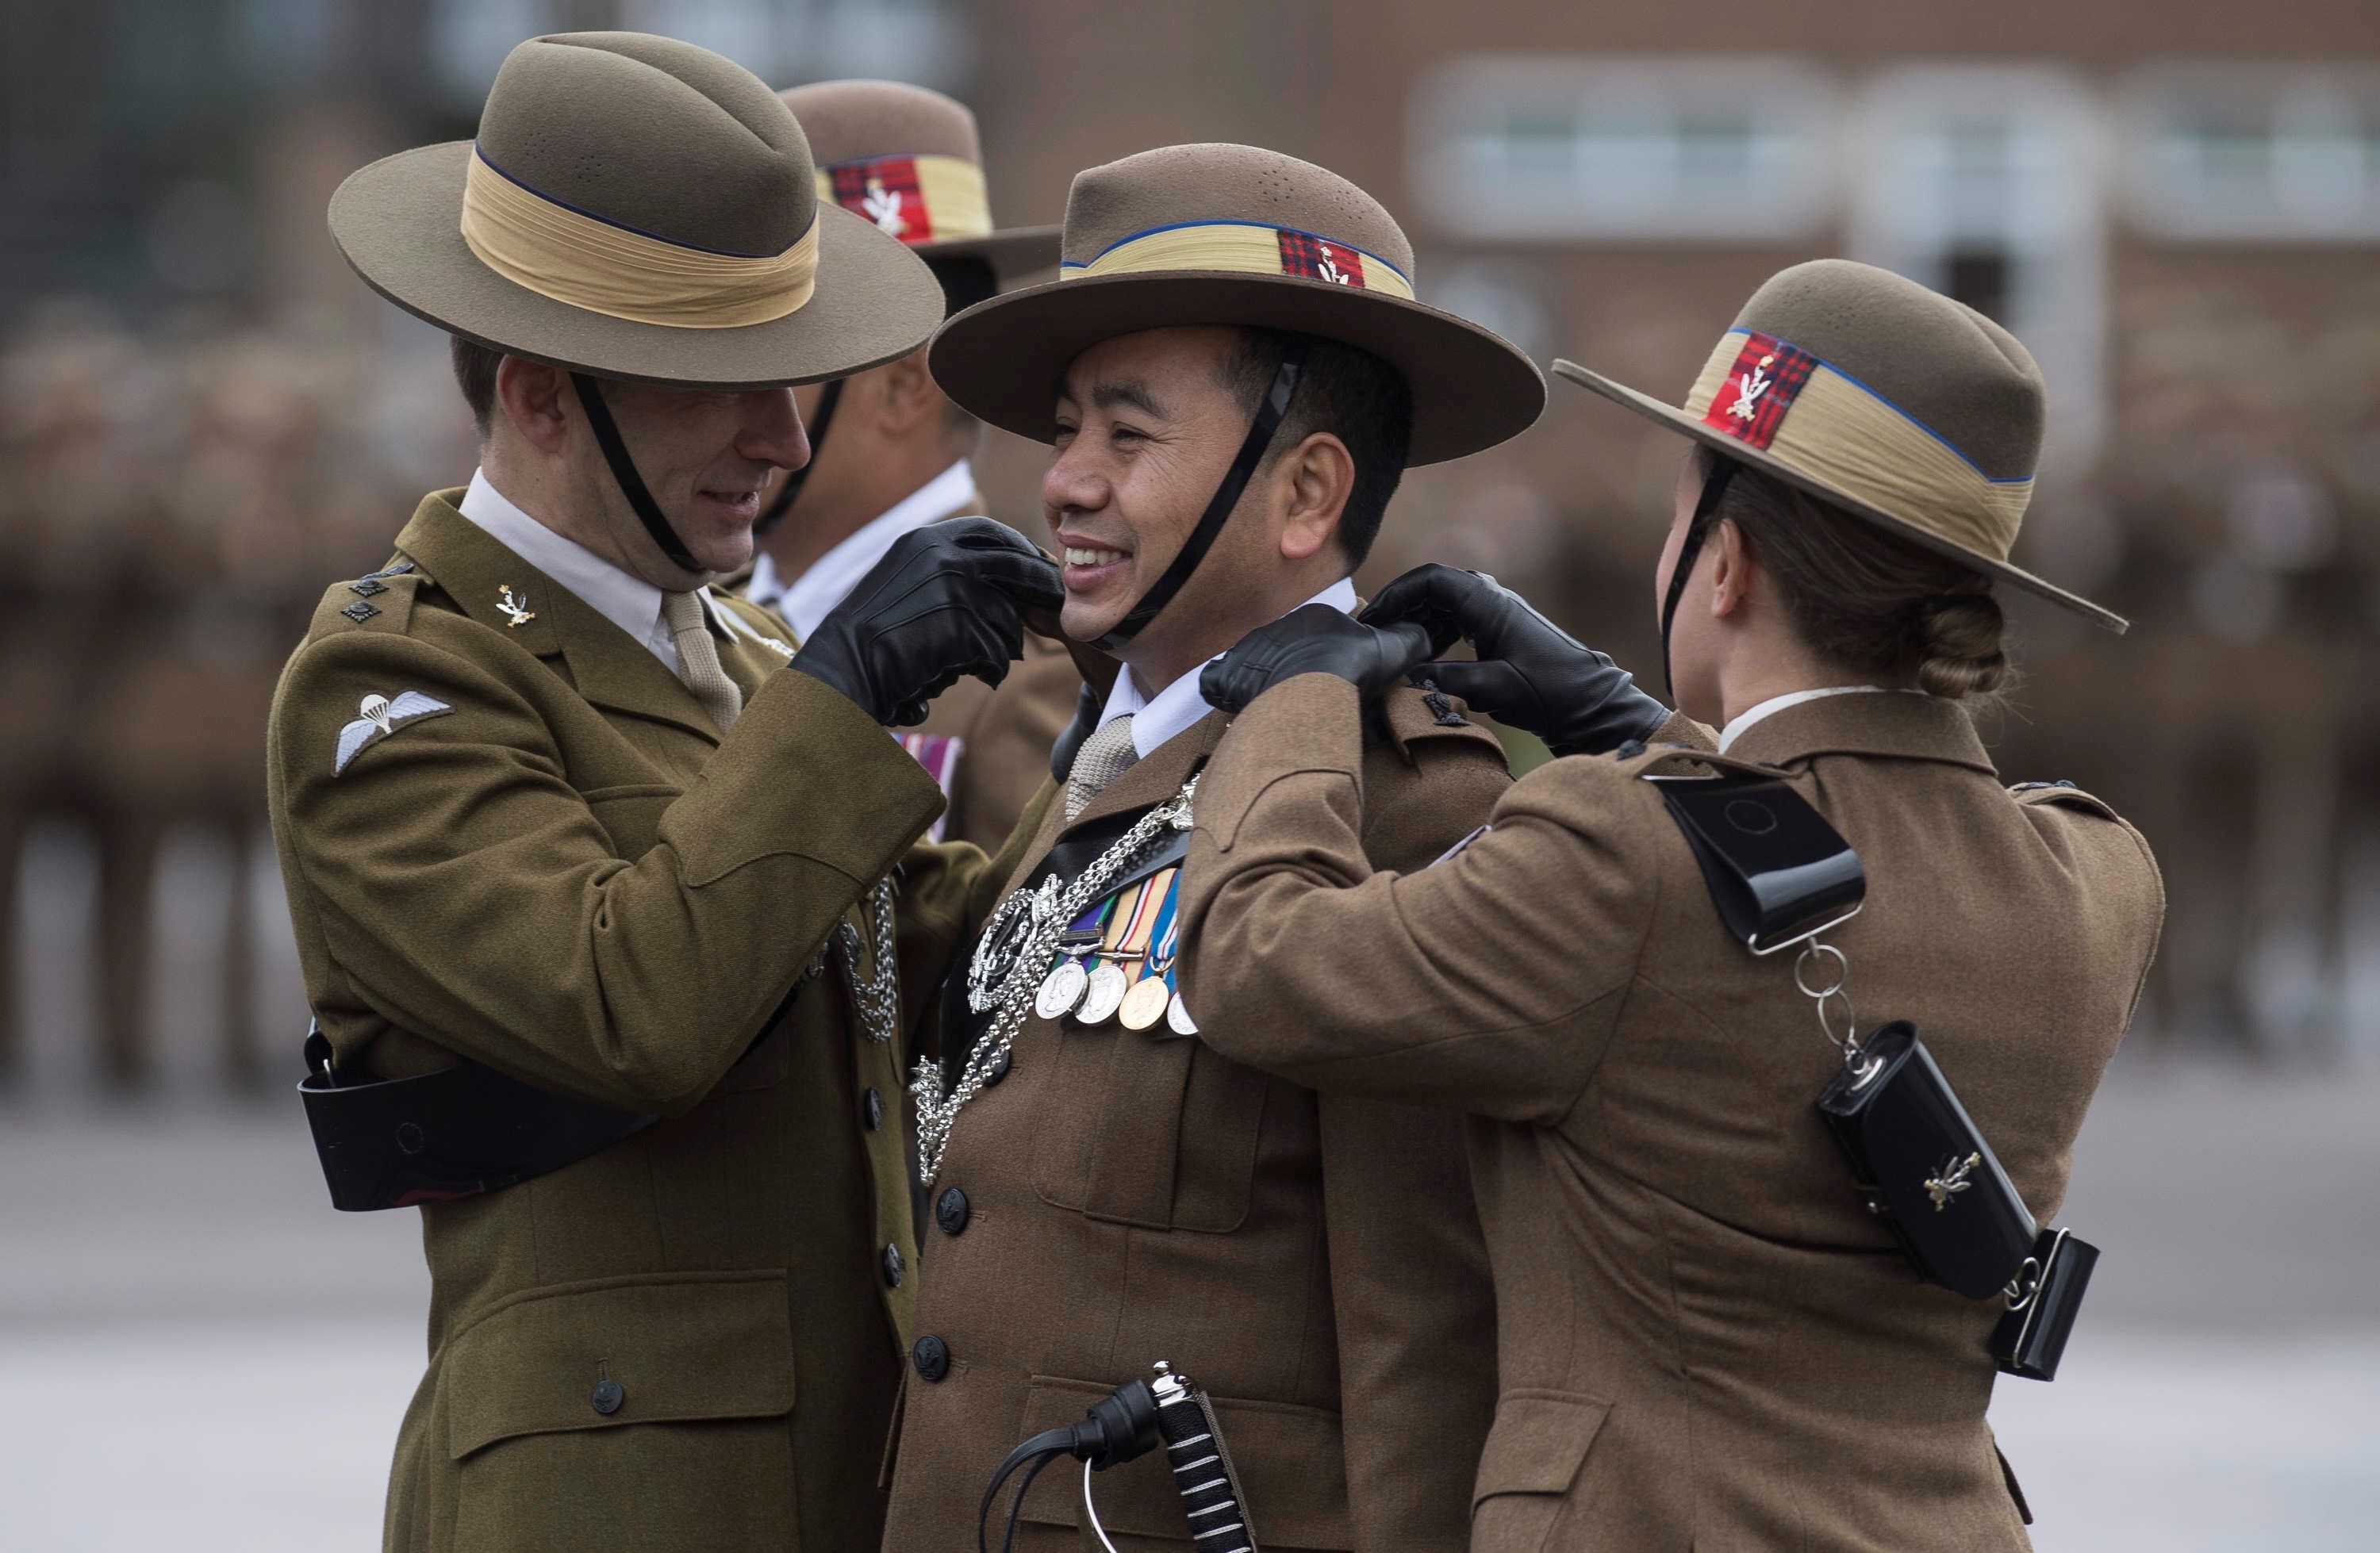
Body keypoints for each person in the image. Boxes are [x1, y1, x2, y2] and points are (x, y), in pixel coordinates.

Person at [1175, 259, 2166, 1551]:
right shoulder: (2098, 881)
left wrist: (1298, 690)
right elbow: (1831, 879)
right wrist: (1651, 724)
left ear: (1730, 564)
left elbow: (1258, 960)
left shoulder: (1614, 855)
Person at [268, 34, 1054, 1553]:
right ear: (546, 395)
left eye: (795, 383)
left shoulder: (745, 649)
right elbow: (627, 1001)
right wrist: (847, 692)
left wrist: (1187, 723)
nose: (781, 439)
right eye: (724, 389)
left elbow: (939, 960)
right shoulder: (397, 686)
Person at [881, 144, 1548, 1551]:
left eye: (1128, 436)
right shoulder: (1102, 751)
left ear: (1308, 493)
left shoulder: (1402, 806)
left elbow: (1421, 1342)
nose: (1061, 481)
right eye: (1065, 430)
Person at [738, 79, 1080, 849]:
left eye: (769, 356)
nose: (723, 393)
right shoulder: (706, 618)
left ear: (900, 388)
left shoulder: (1022, 671)